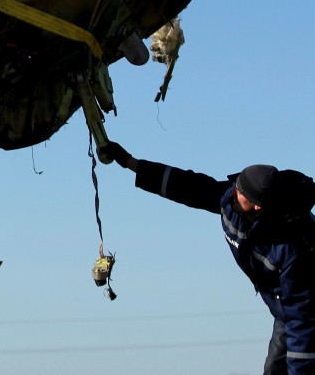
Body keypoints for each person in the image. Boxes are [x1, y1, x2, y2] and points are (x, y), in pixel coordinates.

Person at [99, 142, 315, 375]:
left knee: (299, 364)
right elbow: (187, 186)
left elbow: (303, 320)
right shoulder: (231, 199)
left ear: (257, 206)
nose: (233, 191)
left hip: (305, 313)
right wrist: (129, 162)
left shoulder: (294, 248)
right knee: (273, 369)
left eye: (240, 192)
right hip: (285, 311)